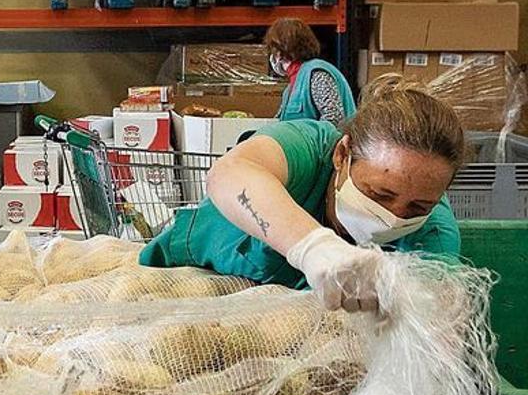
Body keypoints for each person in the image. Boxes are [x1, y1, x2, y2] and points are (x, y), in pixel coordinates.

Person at [140, 86, 463, 313]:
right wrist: (315, 247)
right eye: (379, 194)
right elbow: (230, 173)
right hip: (184, 288)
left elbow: (430, 316)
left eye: (418, 207)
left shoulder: (433, 236)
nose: (393, 216)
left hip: (282, 344)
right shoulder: (308, 147)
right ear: (342, 154)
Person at [264, 18, 356, 128]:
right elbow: (282, 123)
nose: (273, 56)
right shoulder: (291, 88)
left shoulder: (316, 73)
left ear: (282, 49)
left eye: (274, 49)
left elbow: (334, 117)